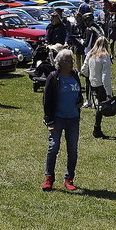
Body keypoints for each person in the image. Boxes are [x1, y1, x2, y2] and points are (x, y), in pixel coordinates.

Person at [40, 50, 84, 192]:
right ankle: (49, 179)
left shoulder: (75, 75)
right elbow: (47, 100)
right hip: (57, 118)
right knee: (53, 147)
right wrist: (49, 121)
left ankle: (69, 178)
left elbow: (79, 93)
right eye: (68, 61)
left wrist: (80, 101)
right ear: (60, 62)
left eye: (72, 60)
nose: (72, 63)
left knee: (72, 150)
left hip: (73, 119)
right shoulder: (53, 77)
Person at [83, 37, 113, 139]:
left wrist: (89, 76)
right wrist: (109, 92)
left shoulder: (90, 54)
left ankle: (97, 128)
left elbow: (84, 69)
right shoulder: (105, 56)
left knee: (99, 106)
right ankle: (97, 128)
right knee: (101, 107)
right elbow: (105, 76)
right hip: (101, 85)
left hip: (93, 83)